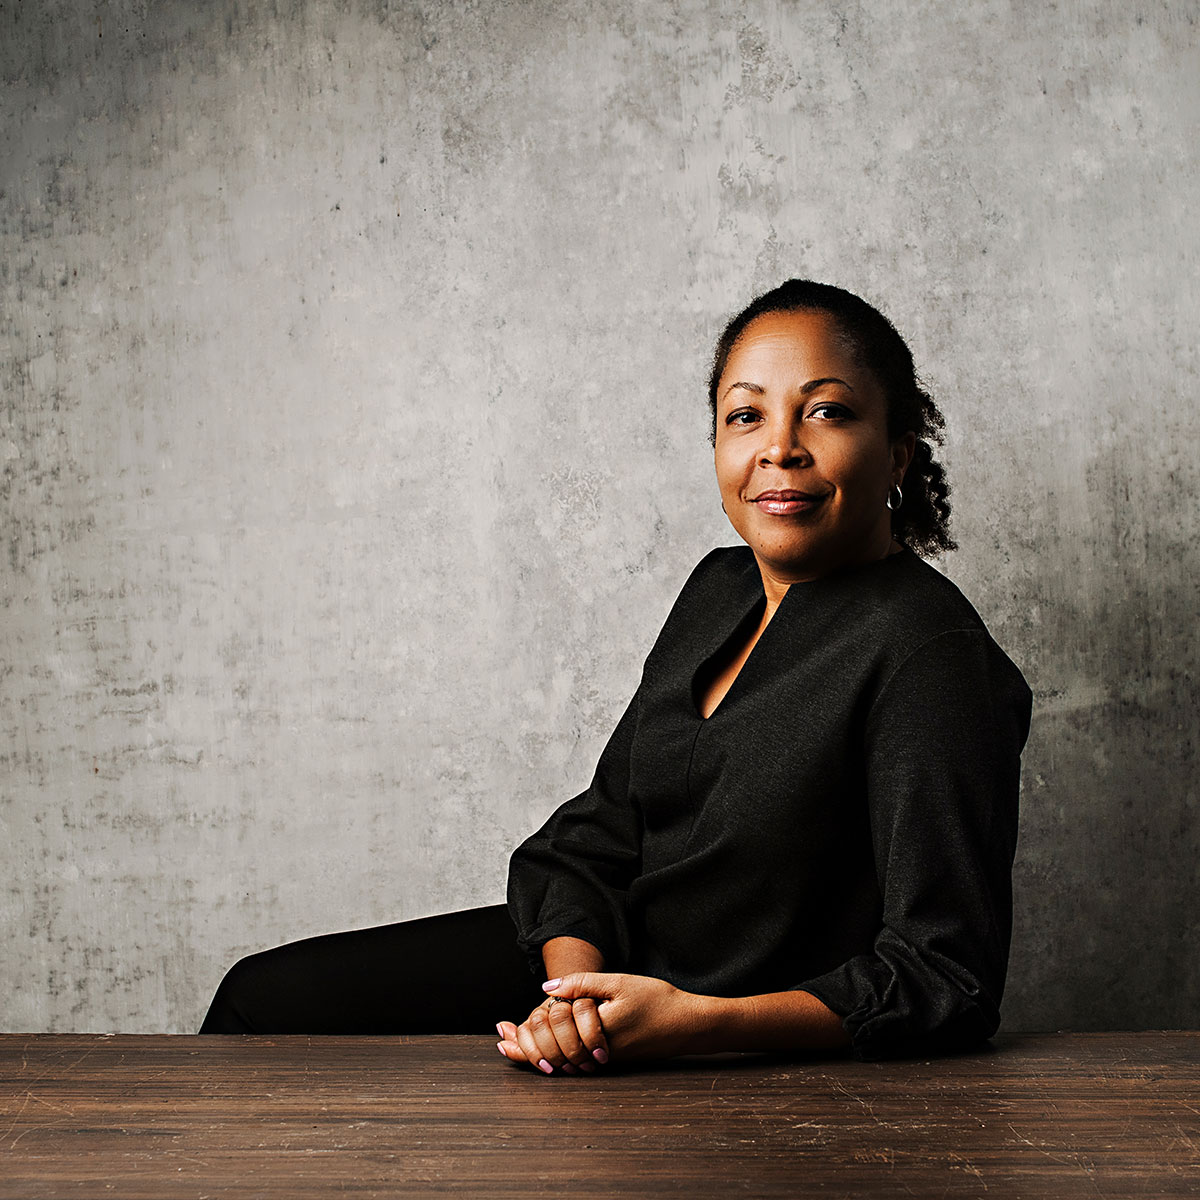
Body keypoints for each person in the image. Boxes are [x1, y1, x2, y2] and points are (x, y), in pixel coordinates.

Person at [200, 280, 1032, 1073]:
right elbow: (593, 839)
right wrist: (575, 1000)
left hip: (725, 1031)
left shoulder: (929, 653)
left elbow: (943, 976)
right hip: (605, 978)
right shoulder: (718, 590)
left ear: (897, 454)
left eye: (827, 412)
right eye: (746, 415)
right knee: (258, 1003)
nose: (779, 447)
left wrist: (691, 1024)